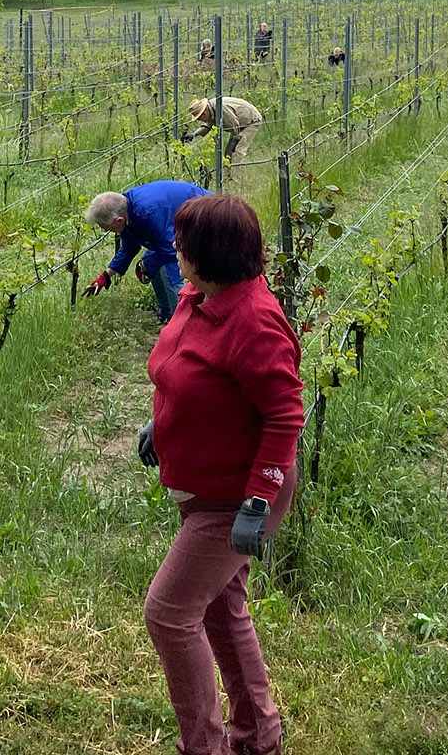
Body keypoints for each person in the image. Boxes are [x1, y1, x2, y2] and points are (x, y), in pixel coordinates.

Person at [136, 193, 304, 755]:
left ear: (213, 253)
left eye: (184, 246)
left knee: (168, 612)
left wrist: (259, 501)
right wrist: (159, 424)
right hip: (204, 486)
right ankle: (259, 736)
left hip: (236, 494)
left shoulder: (254, 321)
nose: (175, 251)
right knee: (221, 609)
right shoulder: (196, 296)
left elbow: (284, 416)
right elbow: (184, 371)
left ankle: (202, 746)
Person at [83, 180, 209, 322]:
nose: (105, 230)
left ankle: (181, 324)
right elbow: (129, 248)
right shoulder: (126, 210)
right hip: (176, 229)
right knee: (152, 264)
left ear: (119, 220)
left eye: (105, 226)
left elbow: (170, 249)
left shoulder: (147, 213)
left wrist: (149, 265)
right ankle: (167, 313)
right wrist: (105, 276)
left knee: (169, 272)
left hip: (206, 220)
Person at [183, 96, 264, 163]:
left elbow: (233, 124)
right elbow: (209, 124)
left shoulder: (220, 108)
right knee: (228, 153)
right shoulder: (210, 109)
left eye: (199, 118)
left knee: (237, 152)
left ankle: (237, 181)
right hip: (239, 123)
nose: (199, 120)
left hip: (251, 121)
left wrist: (236, 140)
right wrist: (194, 134)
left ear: (204, 113)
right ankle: (228, 178)